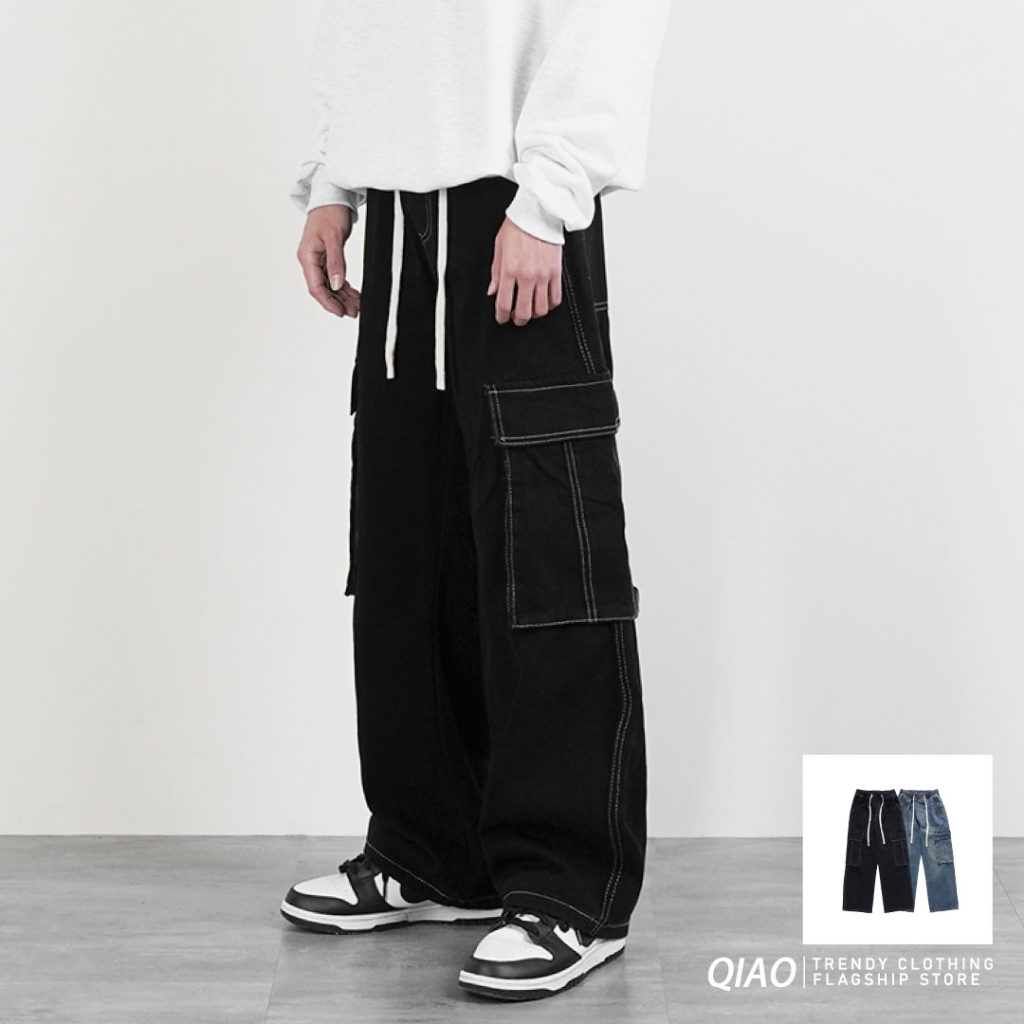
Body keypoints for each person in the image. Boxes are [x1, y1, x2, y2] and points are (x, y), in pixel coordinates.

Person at [279, 0, 671, 1002]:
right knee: (407, 544)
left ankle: (572, 888)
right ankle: (430, 849)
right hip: (395, 202)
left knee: (546, 548)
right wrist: (334, 179)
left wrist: (550, 194)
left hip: (514, 198)